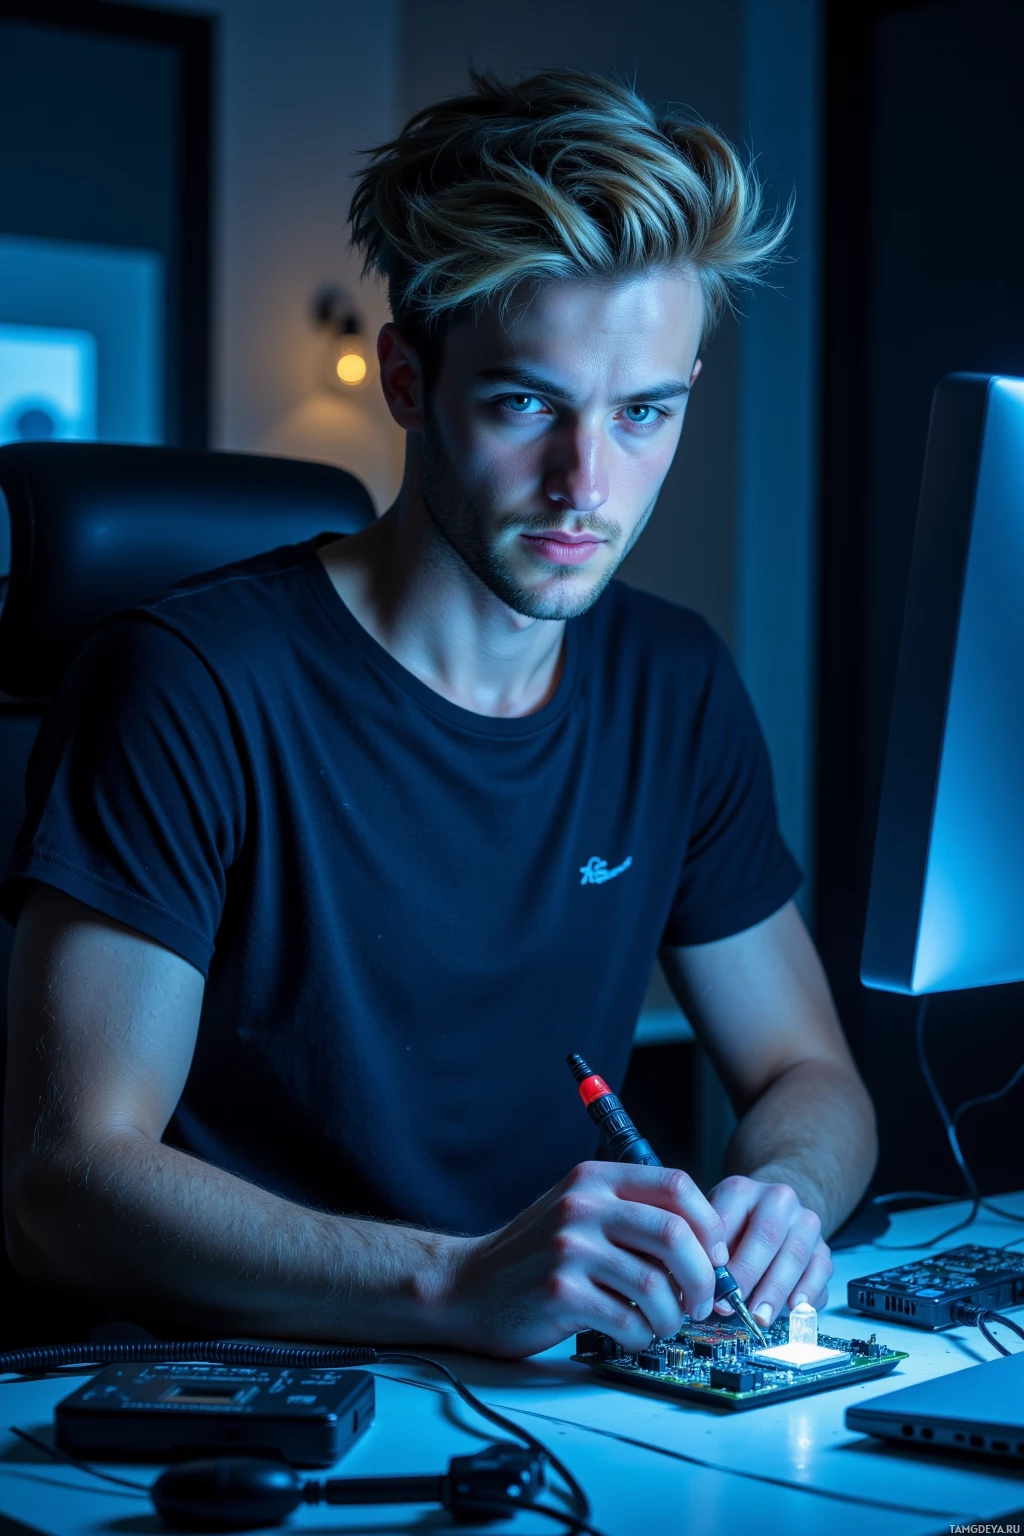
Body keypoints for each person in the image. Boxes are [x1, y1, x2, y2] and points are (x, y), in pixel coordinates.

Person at [1, 67, 876, 1359]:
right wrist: (457, 1284)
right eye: (527, 404)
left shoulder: (673, 682)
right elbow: (63, 1188)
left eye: (646, 415)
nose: (590, 486)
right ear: (407, 382)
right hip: (231, 1408)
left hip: (543, 1391)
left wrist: (785, 1200)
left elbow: (816, 1080)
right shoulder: (188, 681)